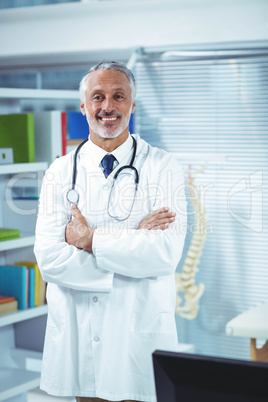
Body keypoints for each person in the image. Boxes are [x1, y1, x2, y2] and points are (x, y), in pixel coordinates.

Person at [34, 61, 187, 402]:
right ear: (83, 106)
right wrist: (134, 240)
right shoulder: (59, 172)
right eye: (98, 97)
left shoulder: (163, 166)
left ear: (132, 105)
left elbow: (164, 255)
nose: (107, 106)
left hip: (139, 334)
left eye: (118, 96)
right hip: (79, 333)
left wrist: (89, 239)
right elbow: (50, 261)